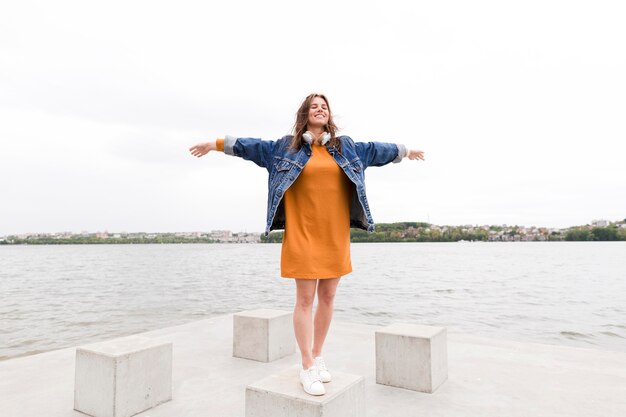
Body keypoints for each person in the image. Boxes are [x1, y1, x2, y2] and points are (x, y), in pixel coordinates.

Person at [189, 93, 424, 396]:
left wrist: (405, 151)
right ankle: (306, 365)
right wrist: (215, 144)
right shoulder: (283, 148)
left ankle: (317, 355)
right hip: (302, 233)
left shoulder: (346, 147)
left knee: (327, 298)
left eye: (324, 106)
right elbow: (250, 147)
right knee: (304, 299)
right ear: (305, 114)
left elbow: (377, 150)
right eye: (314, 105)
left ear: (329, 115)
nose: (320, 108)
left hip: (334, 235)